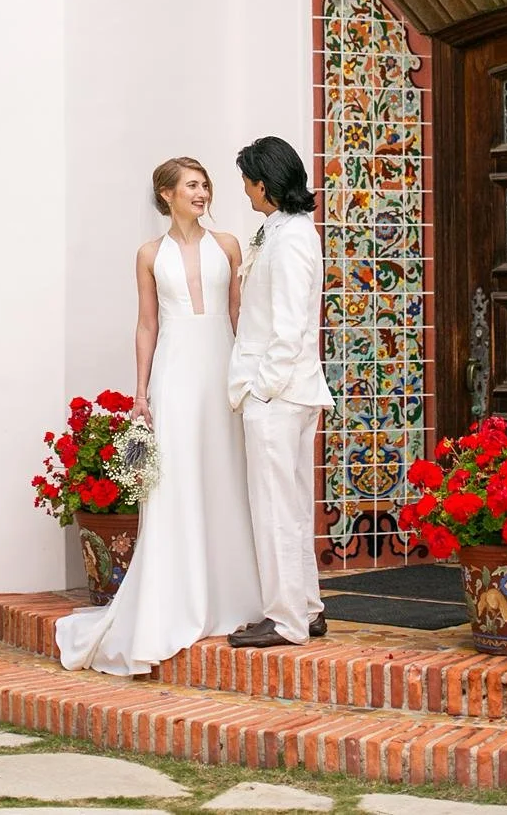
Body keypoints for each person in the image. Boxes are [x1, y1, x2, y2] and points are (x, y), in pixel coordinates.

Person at [55, 156, 263, 675]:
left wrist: (251, 371)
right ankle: (175, 598)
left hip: (221, 368)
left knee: (224, 474)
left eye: (205, 184)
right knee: (175, 483)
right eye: (192, 185)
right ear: (166, 194)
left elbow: (239, 314)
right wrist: (142, 392)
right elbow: (147, 324)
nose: (202, 192)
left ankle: (231, 596)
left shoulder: (229, 245)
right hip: (174, 375)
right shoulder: (149, 254)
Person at [227, 136, 334, 649]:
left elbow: (291, 324)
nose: (244, 190)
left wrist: (260, 388)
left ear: (263, 184)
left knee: (274, 508)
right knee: (290, 507)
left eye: (246, 181)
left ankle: (285, 619)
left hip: (279, 393)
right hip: (288, 391)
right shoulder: (284, 230)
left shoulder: (291, 239)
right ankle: (307, 608)